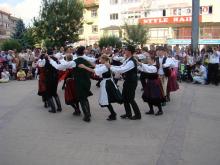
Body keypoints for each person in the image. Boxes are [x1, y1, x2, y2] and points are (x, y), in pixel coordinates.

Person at [49, 46, 93, 122]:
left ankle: (87, 116)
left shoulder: (75, 62)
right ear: (83, 52)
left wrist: (51, 61)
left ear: (76, 53)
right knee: (85, 98)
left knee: (82, 99)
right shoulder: (86, 60)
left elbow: (59, 67)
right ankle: (88, 113)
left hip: (79, 82)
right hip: (87, 81)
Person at [79, 54, 123, 121]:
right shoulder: (104, 64)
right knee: (106, 99)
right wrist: (86, 59)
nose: (100, 60)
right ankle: (113, 114)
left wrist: (84, 67)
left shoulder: (105, 66)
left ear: (104, 59)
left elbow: (94, 71)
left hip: (107, 83)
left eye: (101, 59)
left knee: (106, 99)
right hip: (107, 82)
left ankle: (113, 114)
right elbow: (95, 65)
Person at [108, 44, 141, 120]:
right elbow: (121, 67)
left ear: (129, 51)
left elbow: (123, 70)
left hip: (132, 82)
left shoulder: (131, 61)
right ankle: (128, 113)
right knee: (125, 98)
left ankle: (138, 115)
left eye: (125, 50)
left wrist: (111, 67)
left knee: (131, 98)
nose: (124, 51)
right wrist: (111, 66)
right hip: (128, 81)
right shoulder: (127, 59)